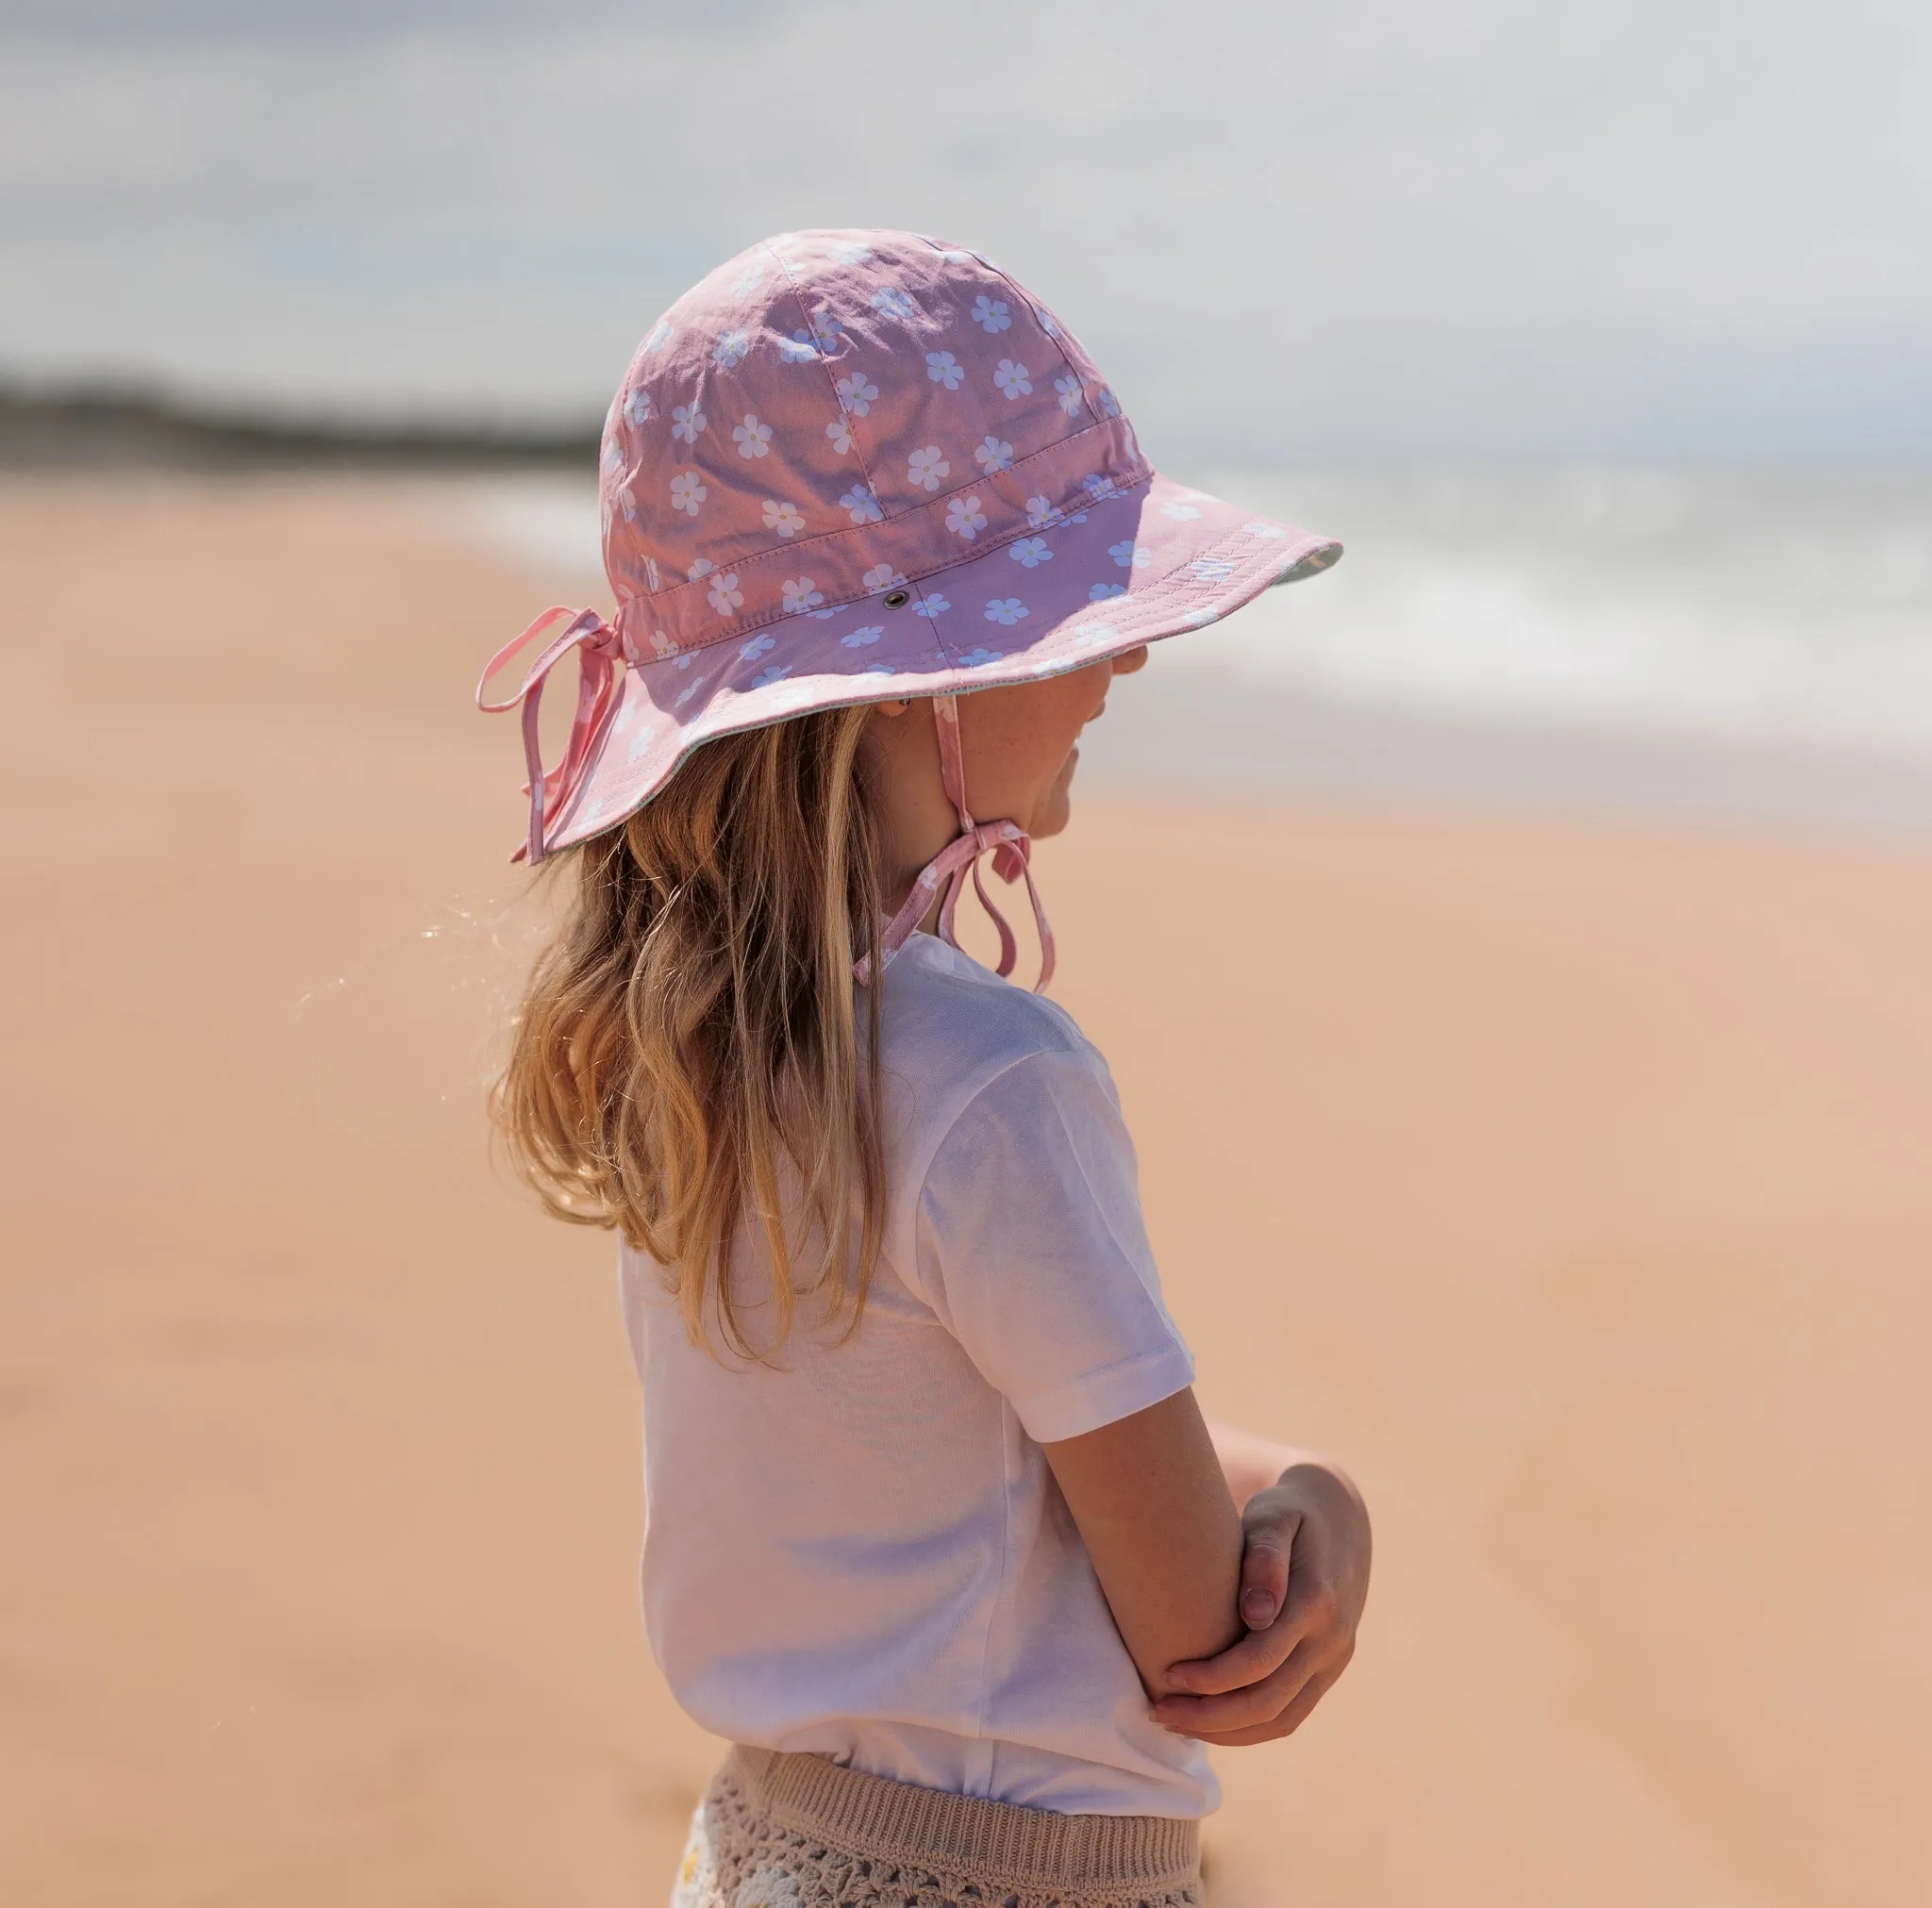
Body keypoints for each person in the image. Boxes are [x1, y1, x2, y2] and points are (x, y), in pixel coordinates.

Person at [479, 229, 1371, 1908]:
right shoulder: (982, 1075)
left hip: (770, 1850)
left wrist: (1255, 1477)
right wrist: (1316, 1504)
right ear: (907, 688)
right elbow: (1190, 1616)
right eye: (1075, 613)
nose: (1128, 657)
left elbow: (950, 1449)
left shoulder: (707, 1054)